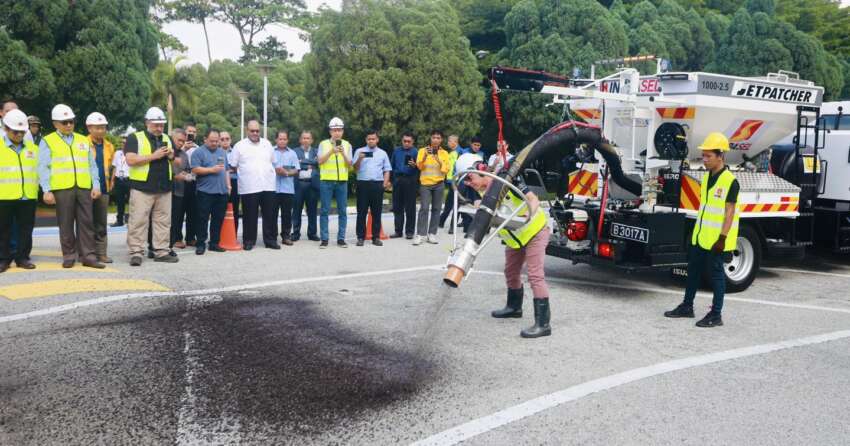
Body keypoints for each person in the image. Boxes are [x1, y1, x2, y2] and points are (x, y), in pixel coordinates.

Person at [456, 152, 553, 338]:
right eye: (466, 181)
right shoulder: (481, 193)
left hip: (535, 231)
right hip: (515, 237)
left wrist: (527, 216)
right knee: (510, 271)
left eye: (470, 177)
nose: (469, 183)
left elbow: (533, 199)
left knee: (535, 275)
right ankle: (514, 307)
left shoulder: (508, 180)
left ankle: (543, 324)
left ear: (481, 169)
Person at [665, 133, 740, 328]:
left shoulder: (730, 181)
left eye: (708, 156)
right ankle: (687, 307)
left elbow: (729, 213)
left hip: (717, 240)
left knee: (716, 277)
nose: (704, 160)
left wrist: (722, 238)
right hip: (701, 237)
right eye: (704, 156)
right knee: (693, 271)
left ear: (720, 156)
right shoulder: (707, 177)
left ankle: (716, 315)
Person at [37, 104, 104, 269]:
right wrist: (47, 190)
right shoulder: (48, 141)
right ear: (55, 123)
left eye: (71, 122)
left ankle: (88, 256)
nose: (68, 125)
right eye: (64, 122)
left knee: (87, 223)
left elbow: (91, 165)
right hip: (62, 189)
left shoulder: (82, 139)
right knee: (65, 223)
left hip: (83, 187)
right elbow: (43, 167)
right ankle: (69, 255)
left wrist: (96, 185)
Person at [124, 107, 178, 266]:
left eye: (161, 124)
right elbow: (131, 160)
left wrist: (170, 155)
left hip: (164, 187)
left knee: (163, 221)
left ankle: (161, 251)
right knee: (138, 220)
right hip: (142, 187)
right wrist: (154, 156)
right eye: (156, 124)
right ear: (147, 122)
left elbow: (174, 158)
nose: (159, 128)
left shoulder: (167, 138)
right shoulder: (135, 138)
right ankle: (136, 252)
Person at [0, 110, 38, 272]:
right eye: (15, 131)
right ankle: (3, 259)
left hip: (27, 196)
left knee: (26, 229)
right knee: (3, 229)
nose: (19, 135)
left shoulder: (33, 149)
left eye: (22, 132)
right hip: (4, 196)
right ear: (6, 128)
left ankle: (23, 257)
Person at [231, 119, 277, 250]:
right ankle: (249, 241)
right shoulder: (239, 146)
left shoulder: (267, 144)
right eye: (252, 131)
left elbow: (272, 161)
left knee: (270, 215)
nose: (255, 133)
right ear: (247, 131)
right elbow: (233, 166)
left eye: (257, 131)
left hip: (268, 185)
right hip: (249, 186)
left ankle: (270, 240)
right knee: (249, 216)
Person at [191, 128, 230, 255]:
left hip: (221, 191)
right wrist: (211, 170)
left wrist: (228, 186)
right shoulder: (198, 152)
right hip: (205, 191)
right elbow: (195, 169)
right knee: (202, 219)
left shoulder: (222, 152)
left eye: (216, 141)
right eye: (212, 141)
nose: (214, 143)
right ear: (205, 139)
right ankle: (200, 243)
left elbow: (226, 170)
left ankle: (214, 243)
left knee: (218, 219)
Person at [317, 117, 353, 249]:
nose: (337, 132)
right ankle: (324, 239)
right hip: (326, 181)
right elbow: (320, 161)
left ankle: (341, 239)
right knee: (325, 210)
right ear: (330, 131)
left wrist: (343, 154)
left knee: (342, 211)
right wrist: (331, 151)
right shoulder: (323, 144)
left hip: (342, 182)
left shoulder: (347, 145)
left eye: (339, 130)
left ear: (343, 131)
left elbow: (350, 165)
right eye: (334, 130)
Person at [353, 129, 391, 246]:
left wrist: (384, 183)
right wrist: (360, 158)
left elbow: (387, 169)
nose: (371, 141)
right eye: (369, 139)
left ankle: (376, 237)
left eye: (373, 139)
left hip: (377, 184)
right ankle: (360, 237)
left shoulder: (382, 153)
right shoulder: (359, 151)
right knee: (361, 212)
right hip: (363, 184)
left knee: (376, 212)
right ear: (366, 140)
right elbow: (355, 168)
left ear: (377, 140)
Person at [85, 112, 115, 263]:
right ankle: (86, 253)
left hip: (104, 189)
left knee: (101, 224)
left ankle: (101, 253)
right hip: (85, 189)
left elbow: (111, 167)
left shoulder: (109, 146)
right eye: (97, 128)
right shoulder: (82, 144)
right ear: (89, 128)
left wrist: (112, 182)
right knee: (86, 223)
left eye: (103, 128)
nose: (101, 131)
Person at [413, 129, 449, 246]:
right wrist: (425, 156)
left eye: (438, 138)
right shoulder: (422, 151)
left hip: (439, 184)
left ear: (441, 140)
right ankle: (420, 234)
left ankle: (432, 233)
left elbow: (445, 169)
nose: (436, 140)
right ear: (430, 138)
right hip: (425, 184)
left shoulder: (444, 153)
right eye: (434, 137)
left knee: (436, 209)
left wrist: (437, 158)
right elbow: (419, 166)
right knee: (424, 208)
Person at [292, 130, 320, 242]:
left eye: (308, 138)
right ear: (300, 140)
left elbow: (319, 163)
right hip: (298, 183)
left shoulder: (317, 151)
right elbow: (295, 165)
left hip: (312, 184)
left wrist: (302, 162)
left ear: (312, 140)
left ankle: (312, 234)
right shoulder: (294, 152)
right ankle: (295, 233)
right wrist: (311, 163)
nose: (306, 140)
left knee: (312, 210)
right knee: (296, 210)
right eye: (304, 138)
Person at [389, 133, 419, 239]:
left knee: (410, 207)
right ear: (402, 141)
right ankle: (398, 231)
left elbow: (420, 168)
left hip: (410, 180)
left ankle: (409, 232)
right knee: (397, 207)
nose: (406, 143)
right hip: (398, 180)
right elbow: (391, 165)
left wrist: (415, 166)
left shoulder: (416, 152)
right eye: (404, 141)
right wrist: (390, 180)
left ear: (412, 142)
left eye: (408, 141)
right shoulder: (397, 150)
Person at [272, 130, 299, 246]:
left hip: (288, 189)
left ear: (287, 140)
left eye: (284, 139)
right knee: (271, 214)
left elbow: (296, 170)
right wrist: (275, 171)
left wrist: (286, 173)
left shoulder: (292, 153)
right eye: (280, 139)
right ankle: (272, 237)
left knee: (287, 214)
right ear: (276, 140)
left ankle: (286, 236)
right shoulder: (270, 152)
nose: (282, 141)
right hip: (272, 188)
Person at [169, 128, 191, 250]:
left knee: (177, 217)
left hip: (179, 191)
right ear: (172, 138)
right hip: (164, 191)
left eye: (183, 141)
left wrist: (189, 177)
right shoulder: (164, 152)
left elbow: (188, 172)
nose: (181, 143)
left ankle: (175, 239)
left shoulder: (184, 155)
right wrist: (175, 177)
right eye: (179, 140)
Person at [439, 134, 461, 233]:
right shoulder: (452, 152)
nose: (447, 143)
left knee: (455, 204)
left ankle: (452, 226)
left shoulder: (460, 152)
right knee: (449, 203)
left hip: (457, 181)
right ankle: (441, 222)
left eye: (449, 141)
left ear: (455, 142)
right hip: (450, 181)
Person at [182, 123, 199, 246]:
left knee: (193, 212)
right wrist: (184, 149)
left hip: (194, 181)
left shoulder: (199, 149)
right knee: (178, 211)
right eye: (189, 131)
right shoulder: (179, 147)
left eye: (194, 132)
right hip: (180, 181)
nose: (191, 134)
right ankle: (176, 238)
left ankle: (190, 237)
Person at [220, 131, 239, 232]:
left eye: (227, 139)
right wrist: (230, 168)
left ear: (230, 140)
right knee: (220, 210)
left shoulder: (236, 152)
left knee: (234, 210)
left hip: (234, 182)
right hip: (220, 183)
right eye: (222, 139)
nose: (225, 141)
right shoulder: (216, 153)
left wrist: (228, 169)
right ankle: (219, 235)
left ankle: (233, 234)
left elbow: (238, 167)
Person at [110, 137, 130, 227]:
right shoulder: (117, 153)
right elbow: (115, 167)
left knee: (132, 202)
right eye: (122, 143)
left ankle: (131, 221)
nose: (124, 144)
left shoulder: (133, 154)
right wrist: (112, 181)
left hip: (129, 180)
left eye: (125, 143)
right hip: (119, 179)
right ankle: (119, 220)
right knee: (119, 201)